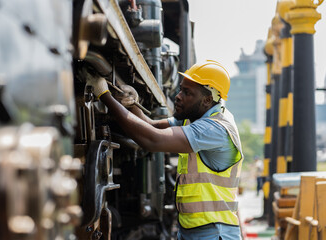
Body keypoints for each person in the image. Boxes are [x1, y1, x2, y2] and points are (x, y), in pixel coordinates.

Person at [88, 60, 244, 240]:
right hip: (194, 230)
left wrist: (104, 94)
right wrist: (132, 103)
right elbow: (151, 126)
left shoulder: (215, 129)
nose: (178, 96)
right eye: (181, 89)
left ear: (207, 100)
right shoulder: (194, 117)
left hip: (215, 233)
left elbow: (152, 140)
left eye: (187, 93)